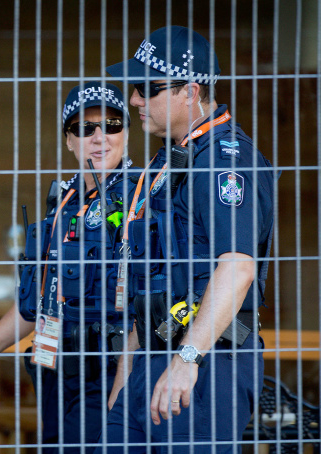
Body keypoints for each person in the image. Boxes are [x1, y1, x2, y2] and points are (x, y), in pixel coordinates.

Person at [98, 26, 275, 453]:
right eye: (133, 87)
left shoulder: (223, 161)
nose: (135, 99)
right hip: (152, 364)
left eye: (148, 88)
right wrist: (126, 381)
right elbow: (152, 278)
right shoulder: (174, 160)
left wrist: (187, 360)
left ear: (190, 91)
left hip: (204, 366)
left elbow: (237, 267)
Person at [0, 82, 139, 452]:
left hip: (113, 382)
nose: (100, 137)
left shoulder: (147, 198)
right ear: (68, 140)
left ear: (126, 132)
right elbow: (36, 305)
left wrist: (120, 398)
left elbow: (154, 304)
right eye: (84, 128)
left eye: (111, 124)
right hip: (57, 381)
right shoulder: (61, 204)